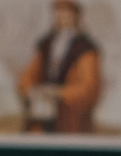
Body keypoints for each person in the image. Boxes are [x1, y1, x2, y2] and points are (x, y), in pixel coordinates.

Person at [16, 0, 102, 133]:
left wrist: (57, 93)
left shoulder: (86, 49)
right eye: (58, 10)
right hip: (42, 116)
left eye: (66, 11)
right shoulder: (46, 44)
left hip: (71, 121)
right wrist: (33, 91)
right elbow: (28, 76)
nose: (61, 15)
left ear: (75, 14)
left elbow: (88, 89)